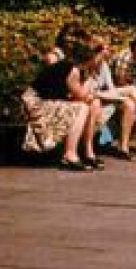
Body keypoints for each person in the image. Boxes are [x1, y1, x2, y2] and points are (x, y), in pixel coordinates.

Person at [23, 40, 101, 172]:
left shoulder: (69, 66)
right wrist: (91, 83)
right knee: (82, 108)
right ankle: (70, 154)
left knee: (93, 104)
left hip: (48, 100)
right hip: (36, 103)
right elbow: (82, 95)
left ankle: (88, 152)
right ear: (89, 60)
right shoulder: (73, 70)